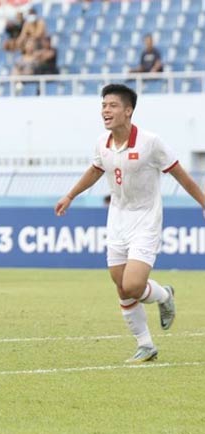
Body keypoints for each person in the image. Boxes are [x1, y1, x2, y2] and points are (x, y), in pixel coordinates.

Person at [55, 84, 205, 363]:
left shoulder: (151, 142)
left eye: (112, 106)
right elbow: (95, 169)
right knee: (121, 286)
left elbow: (180, 175)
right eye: (103, 106)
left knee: (134, 285)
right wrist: (70, 195)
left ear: (128, 111)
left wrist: (203, 202)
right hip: (117, 220)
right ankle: (145, 344)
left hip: (146, 219)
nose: (105, 111)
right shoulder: (102, 143)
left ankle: (163, 295)